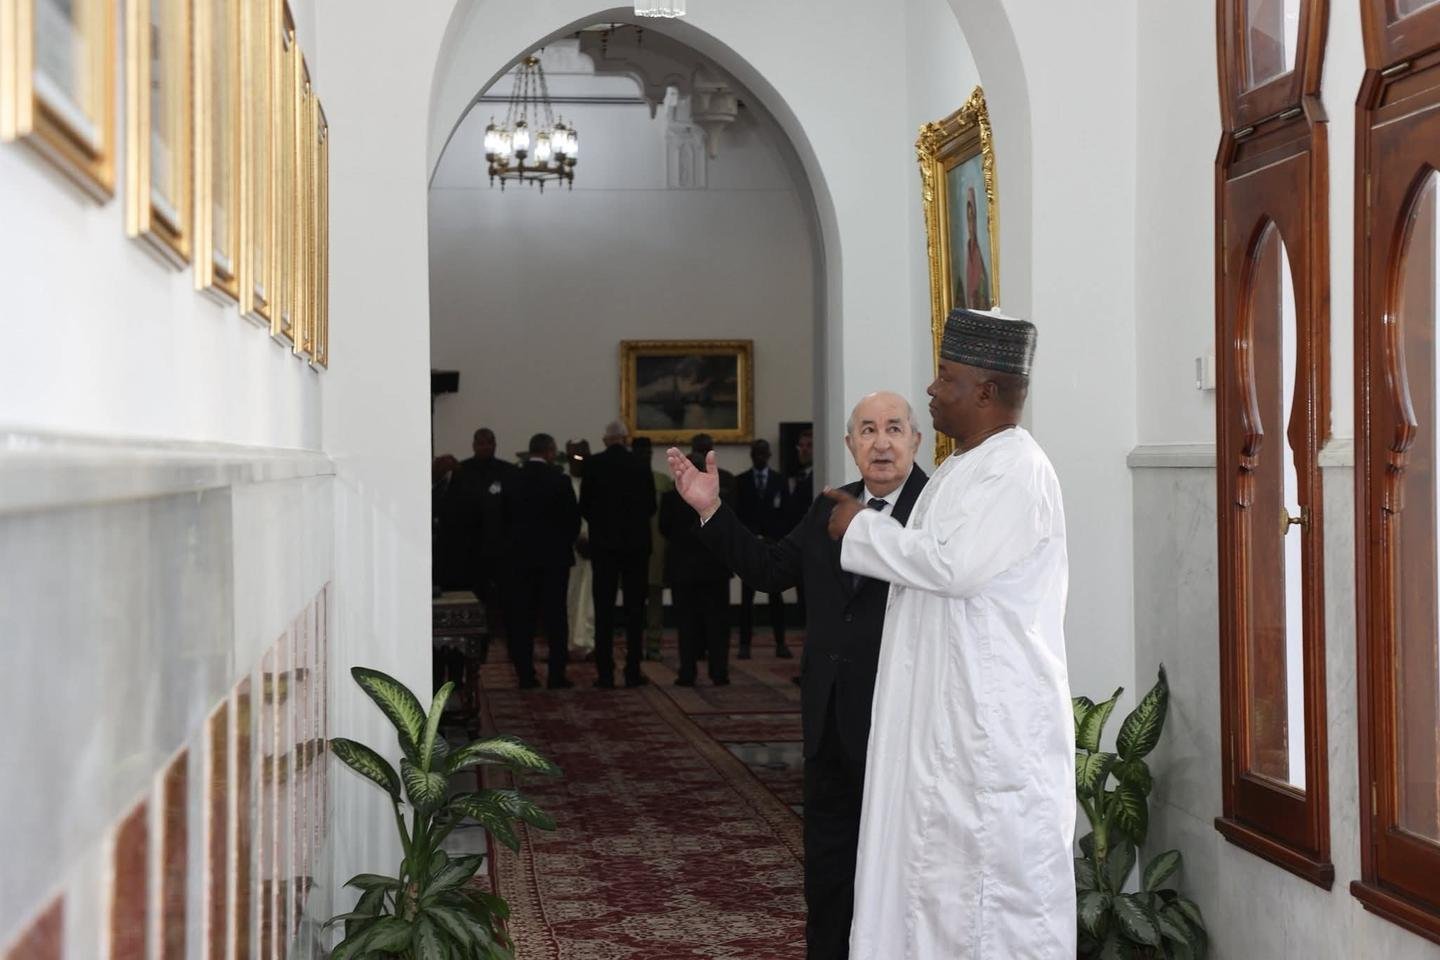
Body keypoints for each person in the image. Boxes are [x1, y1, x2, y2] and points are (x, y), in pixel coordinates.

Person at [825, 308, 1073, 958]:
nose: (931, 391)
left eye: (945, 377)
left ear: (986, 391)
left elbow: (952, 568)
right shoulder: (966, 467)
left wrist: (860, 528)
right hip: (944, 727)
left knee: (993, 908)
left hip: (987, 733)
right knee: (936, 896)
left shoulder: (1014, 471)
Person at [666, 391, 927, 960]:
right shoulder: (825, 507)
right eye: (866, 430)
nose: (880, 442)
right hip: (829, 721)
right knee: (829, 873)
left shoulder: (937, 512)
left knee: (903, 872)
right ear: (849, 444)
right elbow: (768, 571)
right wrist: (711, 511)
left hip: (903, 725)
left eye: (893, 428)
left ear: (916, 439)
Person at [580, 419, 656, 688]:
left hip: (605, 547)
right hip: (635, 547)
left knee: (604, 611)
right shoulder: (640, 464)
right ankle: (633, 671)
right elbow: (651, 506)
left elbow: (585, 506)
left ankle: (605, 673)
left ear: (605, 440)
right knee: (635, 611)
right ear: (625, 439)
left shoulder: (593, 465)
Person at [503, 433, 581, 690]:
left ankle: (526, 675)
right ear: (549, 451)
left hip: (520, 560)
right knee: (555, 618)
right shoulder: (559, 480)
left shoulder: (513, 479)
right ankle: (556, 675)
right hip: (554, 560)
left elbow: (502, 519)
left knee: (522, 618)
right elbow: (573, 522)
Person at [659, 452, 733, 687]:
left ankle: (687, 672)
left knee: (686, 623)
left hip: (684, 569)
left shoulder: (671, 498)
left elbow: (664, 528)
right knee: (717, 624)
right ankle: (719, 672)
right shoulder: (717, 496)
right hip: (714, 569)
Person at [455, 427, 517, 646]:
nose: (484, 447)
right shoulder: (461, 471)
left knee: (507, 601)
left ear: (495, 445)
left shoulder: (508, 471)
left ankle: (509, 640)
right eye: (480, 443)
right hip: (471, 549)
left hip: (501, 549)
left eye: (488, 443)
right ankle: (474, 641)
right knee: (473, 599)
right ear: (473, 445)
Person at [735, 439, 793, 660]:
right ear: (751, 455)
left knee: (776, 598)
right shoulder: (742, 481)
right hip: (750, 547)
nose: (759, 457)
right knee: (747, 600)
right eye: (756, 453)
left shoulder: (779, 481)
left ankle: (780, 643)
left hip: (773, 546)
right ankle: (744, 644)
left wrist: (775, 539)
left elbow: (786, 514)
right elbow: (738, 515)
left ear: (769, 455)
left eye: (763, 453)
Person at [631, 437, 673, 661]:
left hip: (657, 550)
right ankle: (634, 645)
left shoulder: (663, 482)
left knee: (655, 601)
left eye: (648, 453)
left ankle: (653, 644)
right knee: (633, 602)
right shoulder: (624, 482)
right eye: (641, 453)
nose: (645, 457)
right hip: (632, 550)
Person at [564, 439, 595, 658]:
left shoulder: (596, 481)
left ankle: (589, 642)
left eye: (583, 456)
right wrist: (575, 538)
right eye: (575, 457)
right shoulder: (563, 482)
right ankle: (569, 643)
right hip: (570, 548)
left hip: (595, 548)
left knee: (591, 598)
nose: (579, 461)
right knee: (570, 597)